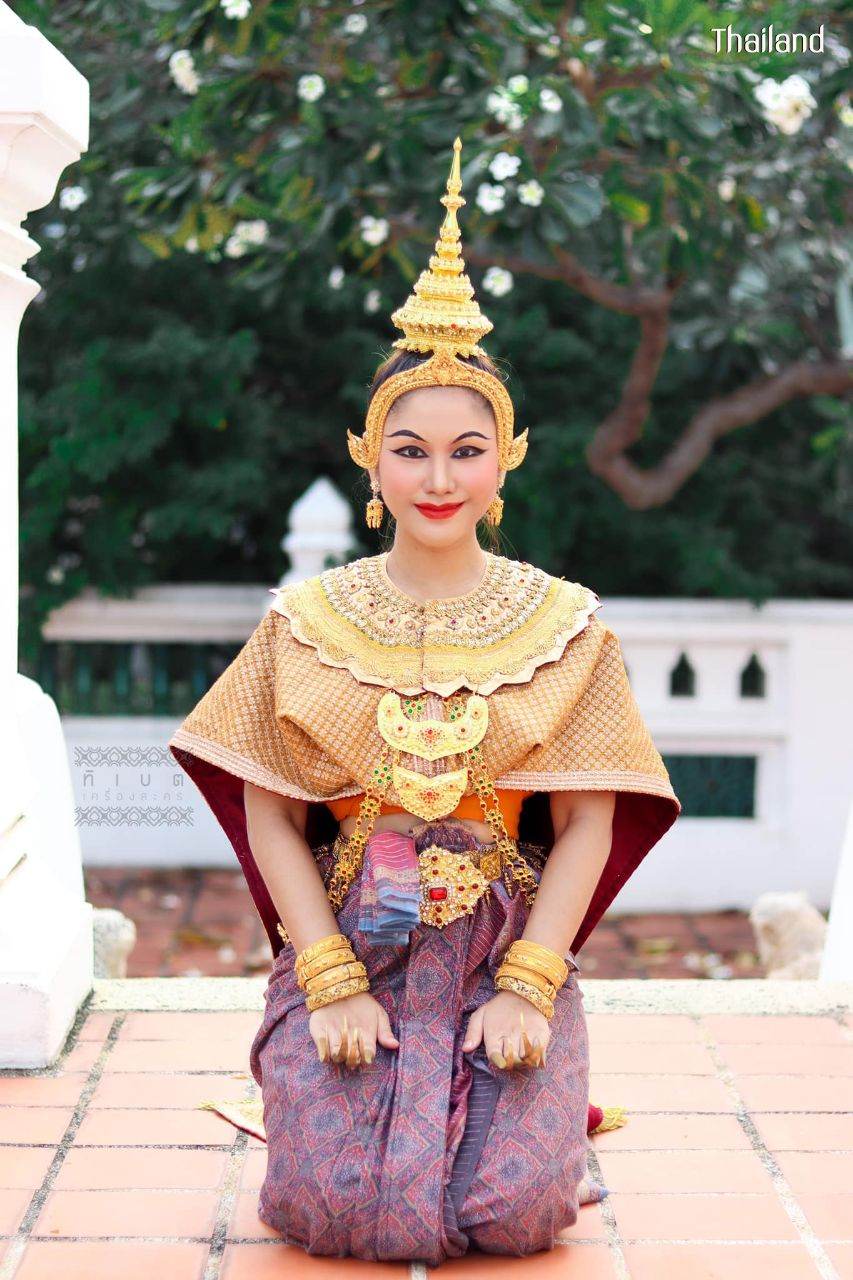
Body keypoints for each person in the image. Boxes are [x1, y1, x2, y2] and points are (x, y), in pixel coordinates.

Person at [169, 136, 680, 1265]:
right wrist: (332, 979)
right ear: (368, 458)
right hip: (364, 915)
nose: (438, 477)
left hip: (503, 930)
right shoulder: (304, 618)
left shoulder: (565, 622)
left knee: (508, 1212)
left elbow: (589, 816)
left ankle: (558, 1137)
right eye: (410, 449)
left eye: (465, 449)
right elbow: (266, 807)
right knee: (329, 1201)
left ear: (509, 460)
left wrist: (533, 987)